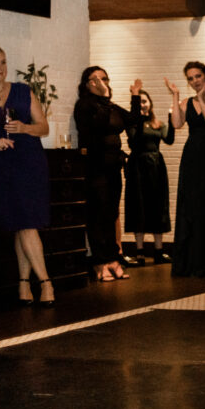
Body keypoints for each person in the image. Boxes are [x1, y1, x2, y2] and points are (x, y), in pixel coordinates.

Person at [0, 43, 54, 306]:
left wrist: (25, 128)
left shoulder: (22, 90)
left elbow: (44, 127)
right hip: (0, 167)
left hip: (29, 163)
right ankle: (23, 286)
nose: (0, 68)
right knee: (20, 225)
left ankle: (45, 284)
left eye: (3, 62)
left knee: (28, 224)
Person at [73, 66, 142, 282]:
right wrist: (102, 98)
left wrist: (135, 96)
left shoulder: (110, 106)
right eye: (95, 80)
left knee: (111, 213)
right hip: (96, 166)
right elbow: (98, 127)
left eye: (104, 79)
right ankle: (99, 262)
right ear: (87, 84)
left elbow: (133, 120)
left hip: (113, 166)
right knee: (97, 214)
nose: (101, 83)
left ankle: (114, 259)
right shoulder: (84, 106)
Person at [167, 62, 205, 277]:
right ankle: (189, 262)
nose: (195, 81)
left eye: (198, 76)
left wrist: (203, 100)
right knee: (190, 205)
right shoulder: (186, 102)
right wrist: (175, 96)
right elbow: (176, 124)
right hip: (191, 156)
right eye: (191, 78)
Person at [123, 89, 175, 265]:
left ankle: (159, 251)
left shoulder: (157, 124)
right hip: (138, 167)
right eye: (141, 102)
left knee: (158, 206)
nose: (144, 104)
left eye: (146, 101)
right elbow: (135, 141)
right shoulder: (131, 124)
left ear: (150, 103)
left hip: (156, 167)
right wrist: (137, 116)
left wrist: (170, 118)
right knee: (139, 206)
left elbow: (169, 140)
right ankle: (140, 252)